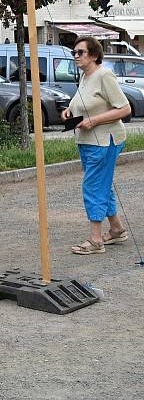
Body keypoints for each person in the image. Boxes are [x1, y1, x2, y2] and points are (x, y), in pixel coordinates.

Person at [62, 36, 132, 255]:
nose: (75, 56)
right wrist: (70, 111)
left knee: (93, 187)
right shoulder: (85, 76)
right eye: (74, 53)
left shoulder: (104, 75)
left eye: (80, 52)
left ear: (93, 55)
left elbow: (124, 109)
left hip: (105, 141)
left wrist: (94, 120)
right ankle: (117, 229)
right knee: (102, 184)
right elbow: (85, 102)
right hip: (88, 141)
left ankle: (95, 240)